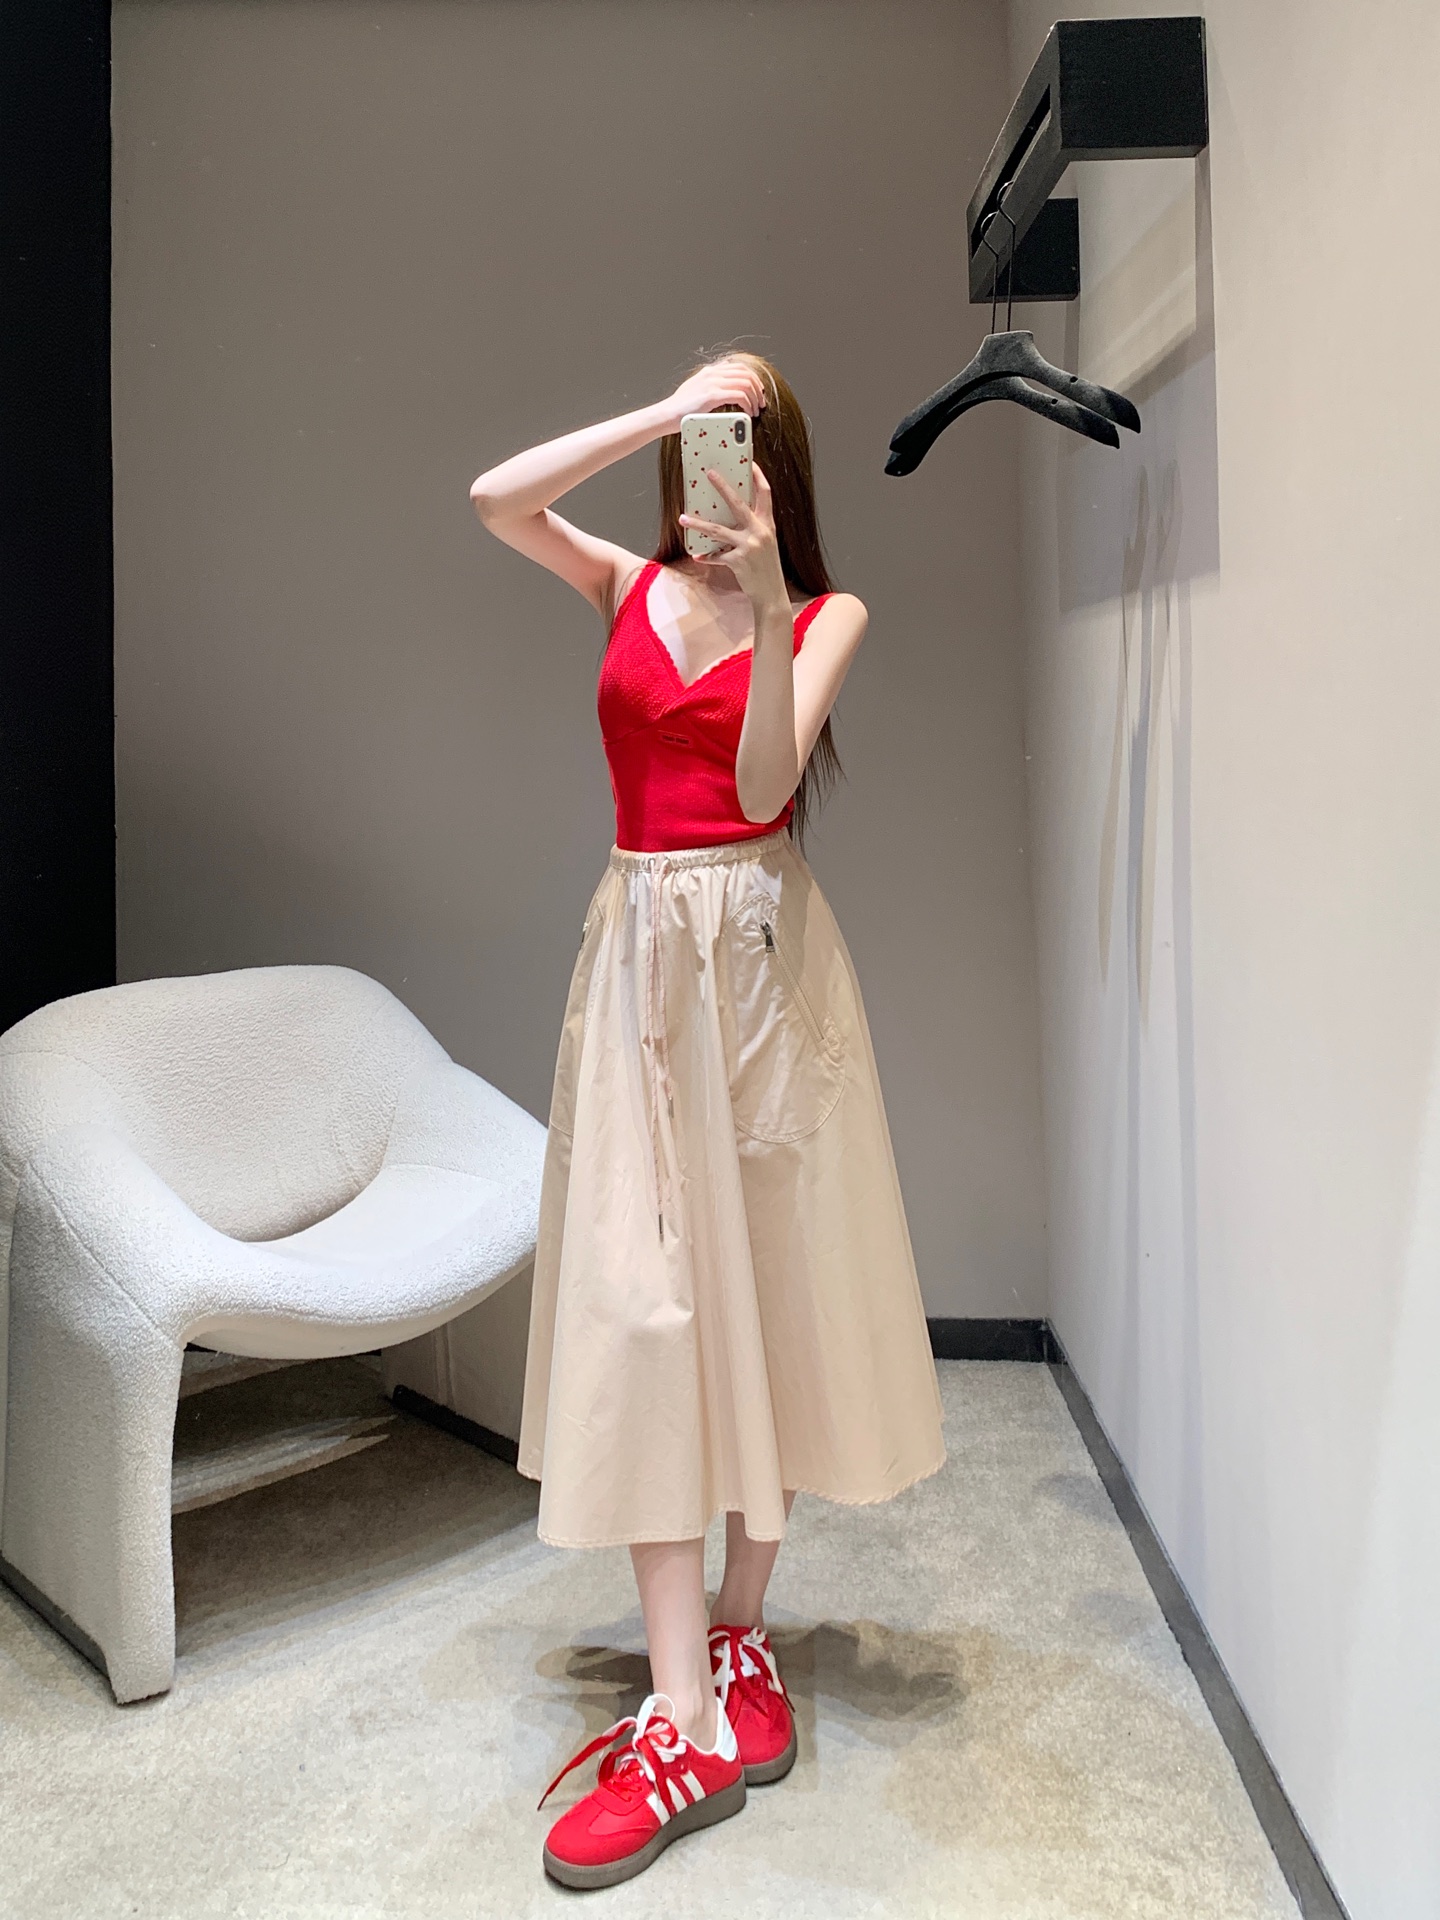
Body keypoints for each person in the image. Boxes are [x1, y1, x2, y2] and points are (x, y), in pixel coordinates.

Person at [469, 349, 945, 1891]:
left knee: (771, 1293)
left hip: (761, 967)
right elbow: (496, 500)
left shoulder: (826, 616)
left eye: (732, 430)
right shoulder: (622, 582)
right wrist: (654, 414)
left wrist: (768, 602)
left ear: (774, 464)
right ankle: (681, 1709)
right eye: (697, 434)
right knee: (642, 1307)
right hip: (639, 965)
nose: (703, 458)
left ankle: (737, 1629)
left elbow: (757, 785)